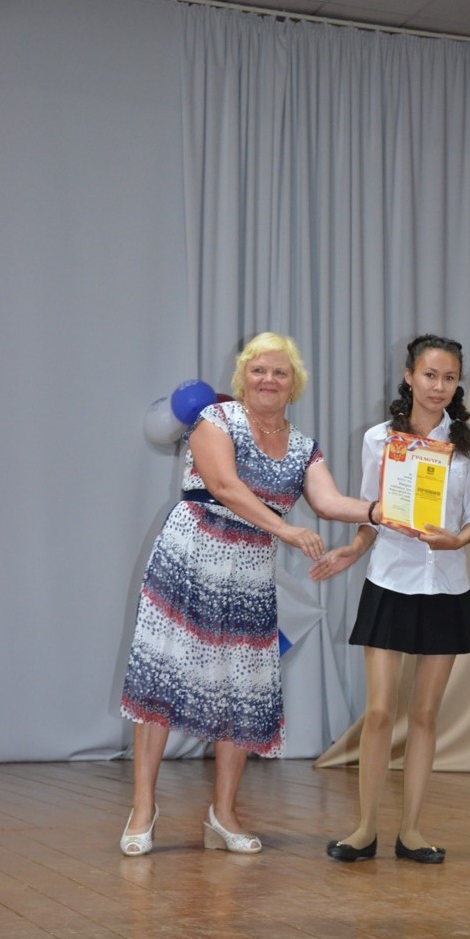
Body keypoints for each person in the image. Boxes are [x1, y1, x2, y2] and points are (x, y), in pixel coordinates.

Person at [119, 332, 380, 857]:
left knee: (242, 688)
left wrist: (382, 512)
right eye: (259, 370)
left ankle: (223, 815)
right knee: (162, 679)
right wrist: (285, 530)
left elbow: (329, 502)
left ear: (294, 383)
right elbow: (224, 486)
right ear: (243, 377)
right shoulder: (215, 419)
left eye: (280, 372)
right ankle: (143, 809)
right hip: (190, 559)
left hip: (249, 575)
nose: (268, 379)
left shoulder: (303, 446)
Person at [311, 334, 470, 863]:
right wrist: (353, 549)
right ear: (409, 376)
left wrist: (457, 540)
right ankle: (365, 829)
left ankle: (411, 831)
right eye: (430, 375)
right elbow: (373, 512)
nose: (439, 386)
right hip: (390, 582)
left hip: (447, 586)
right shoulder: (380, 440)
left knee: (426, 713)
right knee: (380, 710)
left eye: (450, 378)